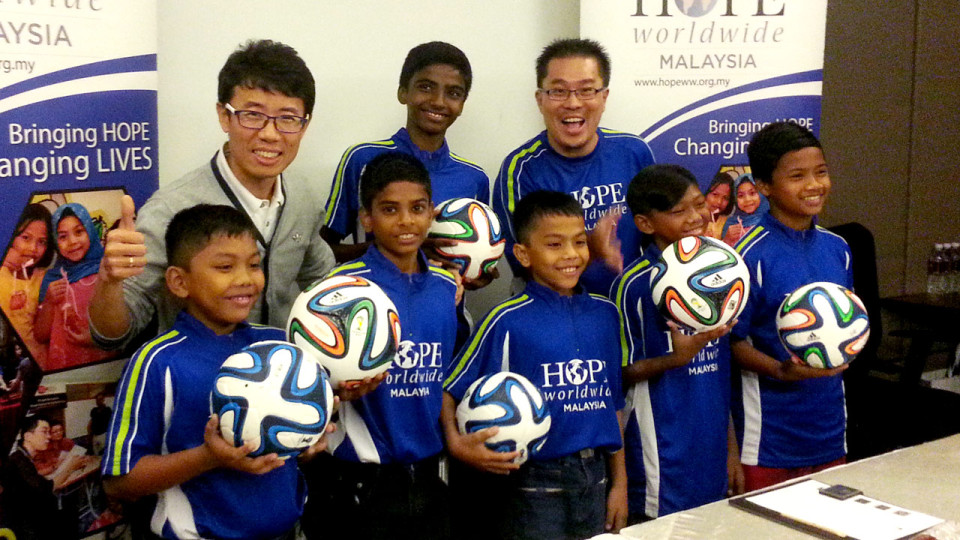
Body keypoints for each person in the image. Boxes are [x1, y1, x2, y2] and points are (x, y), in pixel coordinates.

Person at [88, 39, 335, 353]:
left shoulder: (302, 196)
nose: (270, 134)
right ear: (224, 116)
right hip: (198, 378)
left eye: (288, 118)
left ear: (305, 125)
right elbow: (111, 336)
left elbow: (323, 284)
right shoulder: (171, 209)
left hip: (287, 374)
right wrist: (109, 282)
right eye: (252, 115)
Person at [100, 204, 327, 539]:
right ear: (179, 282)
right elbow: (119, 482)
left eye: (254, 264)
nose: (245, 279)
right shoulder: (157, 361)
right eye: (225, 267)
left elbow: (292, 454)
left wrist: (306, 441)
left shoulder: (281, 346)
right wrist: (209, 457)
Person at [443, 190, 628, 539]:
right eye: (555, 245)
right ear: (523, 254)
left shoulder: (605, 314)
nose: (571, 254)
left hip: (596, 477)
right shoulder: (506, 320)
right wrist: (456, 444)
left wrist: (620, 484)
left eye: (579, 242)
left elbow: (614, 405)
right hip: (533, 484)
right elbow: (449, 388)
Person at [301, 152, 460, 540]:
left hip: (428, 475)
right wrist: (336, 391)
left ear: (431, 213)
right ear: (367, 218)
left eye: (417, 208)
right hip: (355, 481)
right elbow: (304, 383)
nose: (406, 221)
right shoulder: (338, 291)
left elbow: (446, 378)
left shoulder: (446, 288)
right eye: (390, 209)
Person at [610, 164, 742, 521]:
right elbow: (618, 376)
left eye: (699, 204)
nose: (695, 217)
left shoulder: (724, 271)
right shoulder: (634, 285)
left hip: (712, 454)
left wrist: (731, 450)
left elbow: (722, 373)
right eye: (678, 211)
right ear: (645, 223)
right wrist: (675, 358)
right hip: (661, 460)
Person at [730, 121, 851, 492]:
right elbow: (732, 344)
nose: (814, 185)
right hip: (768, 440)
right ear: (764, 186)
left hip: (830, 432)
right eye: (797, 176)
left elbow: (848, 325)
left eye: (821, 172)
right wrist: (781, 371)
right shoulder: (747, 257)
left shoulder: (838, 248)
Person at [492, 38, 655, 296]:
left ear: (604, 97)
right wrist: (593, 247)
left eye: (586, 90)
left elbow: (657, 238)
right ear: (540, 100)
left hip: (631, 307)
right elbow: (526, 266)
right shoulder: (520, 170)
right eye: (558, 91)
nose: (573, 103)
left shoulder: (635, 152)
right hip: (556, 311)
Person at [321, 42, 489, 271]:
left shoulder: (474, 178)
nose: (438, 101)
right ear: (403, 93)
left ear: (462, 105)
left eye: (453, 93)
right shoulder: (362, 160)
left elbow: (476, 254)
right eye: (426, 87)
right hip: (375, 292)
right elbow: (322, 251)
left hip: (447, 295)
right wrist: (400, 249)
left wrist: (479, 271)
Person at [35, 203, 112, 371]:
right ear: (55, 242)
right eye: (63, 236)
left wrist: (96, 338)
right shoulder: (52, 278)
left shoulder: (108, 270)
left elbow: (124, 321)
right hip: (64, 367)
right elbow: (40, 336)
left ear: (90, 231)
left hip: (105, 365)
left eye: (79, 232)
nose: (72, 241)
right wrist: (48, 302)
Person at [1, 415, 85, 540]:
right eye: (44, 432)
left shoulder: (23, 457)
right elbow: (47, 487)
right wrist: (70, 467)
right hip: (27, 527)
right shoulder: (18, 459)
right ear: (28, 436)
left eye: (49, 432)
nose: (49, 436)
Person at [0, 204, 53, 365]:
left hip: (38, 362)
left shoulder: (45, 278)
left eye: (42, 242)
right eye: (25, 237)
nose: (33, 249)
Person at [721, 173, 769, 246]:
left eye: (752, 193)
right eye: (740, 196)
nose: (747, 199)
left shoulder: (772, 219)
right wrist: (727, 239)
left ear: (761, 194)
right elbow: (725, 251)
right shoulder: (731, 225)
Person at [703, 171, 735, 239]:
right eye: (715, 194)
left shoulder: (728, 224)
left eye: (725, 198)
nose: (719, 202)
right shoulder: (692, 221)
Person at [87, 392, 112, 456]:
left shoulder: (107, 410)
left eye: (100, 399)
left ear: (103, 400)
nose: (98, 401)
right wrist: (89, 434)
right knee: (95, 454)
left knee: (104, 453)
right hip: (95, 436)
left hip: (103, 435)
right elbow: (91, 422)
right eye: (97, 400)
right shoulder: (94, 410)